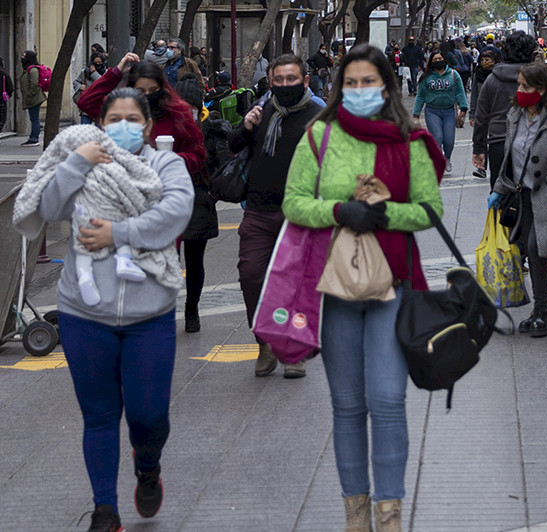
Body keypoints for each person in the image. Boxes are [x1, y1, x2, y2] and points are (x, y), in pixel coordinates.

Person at [13, 87, 194, 532]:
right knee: (98, 415)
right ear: (99, 125)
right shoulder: (82, 160)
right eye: (114, 119)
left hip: (149, 313)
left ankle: (147, 466)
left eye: (134, 119)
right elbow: (49, 207)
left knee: (149, 416)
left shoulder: (165, 165)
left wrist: (118, 232)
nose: (124, 127)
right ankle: (105, 510)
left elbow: (175, 214)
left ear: (149, 127)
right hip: (82, 312)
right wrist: (78, 162)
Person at [283, 43, 444, 532]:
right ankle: (356, 513)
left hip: (393, 285)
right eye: (350, 83)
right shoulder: (318, 136)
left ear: (386, 87)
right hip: (332, 289)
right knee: (348, 406)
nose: (358, 91)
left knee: (388, 401)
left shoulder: (410, 140)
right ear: (338, 88)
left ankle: (389, 514)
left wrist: (382, 214)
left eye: (367, 83)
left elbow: (429, 209)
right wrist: (338, 211)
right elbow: (293, 203)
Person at [227, 54, 323, 379]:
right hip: (257, 211)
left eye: (291, 79)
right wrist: (246, 125)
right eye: (278, 80)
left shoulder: (319, 117)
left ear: (305, 80)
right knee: (251, 276)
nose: (284, 86)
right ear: (270, 81)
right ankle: (264, 341)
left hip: (300, 216)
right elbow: (233, 145)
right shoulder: (263, 111)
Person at [488, 62, 547, 337]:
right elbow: (510, 158)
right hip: (522, 194)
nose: (520, 90)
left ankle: (543, 311)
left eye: (525, 86)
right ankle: (540, 313)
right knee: (530, 250)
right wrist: (499, 189)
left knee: (537, 248)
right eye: (519, 85)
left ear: (540, 89)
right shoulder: (515, 113)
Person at [77, 51, 206, 179]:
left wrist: (167, 161)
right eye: (141, 91)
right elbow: (86, 102)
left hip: (166, 184)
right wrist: (116, 73)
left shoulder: (178, 113)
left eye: (153, 90)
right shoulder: (119, 112)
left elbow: (197, 155)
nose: (148, 95)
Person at [174, 74, 220, 333]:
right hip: (169, 201)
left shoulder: (210, 126)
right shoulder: (166, 127)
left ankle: (192, 309)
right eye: (182, 104)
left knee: (194, 261)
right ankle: (165, 310)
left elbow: (219, 164)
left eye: (191, 106)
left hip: (199, 201)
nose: (187, 111)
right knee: (168, 260)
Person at [472, 31, 538, 188]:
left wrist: (478, 148)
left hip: (498, 142)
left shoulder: (492, 79)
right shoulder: (538, 78)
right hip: (532, 141)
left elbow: (481, 116)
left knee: (500, 193)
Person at [413, 50, 468, 175]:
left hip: (449, 111)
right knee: (437, 137)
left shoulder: (453, 74)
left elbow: (460, 92)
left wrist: (463, 108)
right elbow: (420, 96)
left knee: (449, 140)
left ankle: (447, 157)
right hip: (432, 111)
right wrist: (416, 114)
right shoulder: (426, 77)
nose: (438, 61)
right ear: (431, 62)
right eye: (435, 60)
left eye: (440, 59)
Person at [469, 50, 499, 179]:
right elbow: (474, 94)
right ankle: (482, 167)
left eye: (488, 59)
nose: (484, 62)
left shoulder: (498, 73)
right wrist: (472, 114)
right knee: (482, 139)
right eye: (482, 60)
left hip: (497, 110)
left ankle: (497, 167)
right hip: (482, 111)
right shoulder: (478, 74)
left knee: (495, 140)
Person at [19, 49, 46, 147]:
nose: (22, 57)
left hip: (35, 98)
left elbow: (34, 84)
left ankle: (34, 139)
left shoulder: (33, 69)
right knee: (34, 118)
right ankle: (33, 137)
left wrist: (29, 95)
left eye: (24, 55)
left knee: (34, 118)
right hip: (33, 97)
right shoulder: (28, 69)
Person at [73, 52, 107, 125]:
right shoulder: (85, 72)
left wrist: (94, 73)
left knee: (100, 132)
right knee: (84, 130)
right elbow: (76, 82)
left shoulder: (106, 72)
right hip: (87, 106)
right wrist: (80, 86)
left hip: (100, 107)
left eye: (99, 62)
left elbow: (103, 83)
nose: (97, 64)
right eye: (95, 62)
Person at [0, 57, 14, 135]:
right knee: (2, 119)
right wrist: (7, 96)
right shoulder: (4, 74)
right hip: (1, 99)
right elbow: (10, 88)